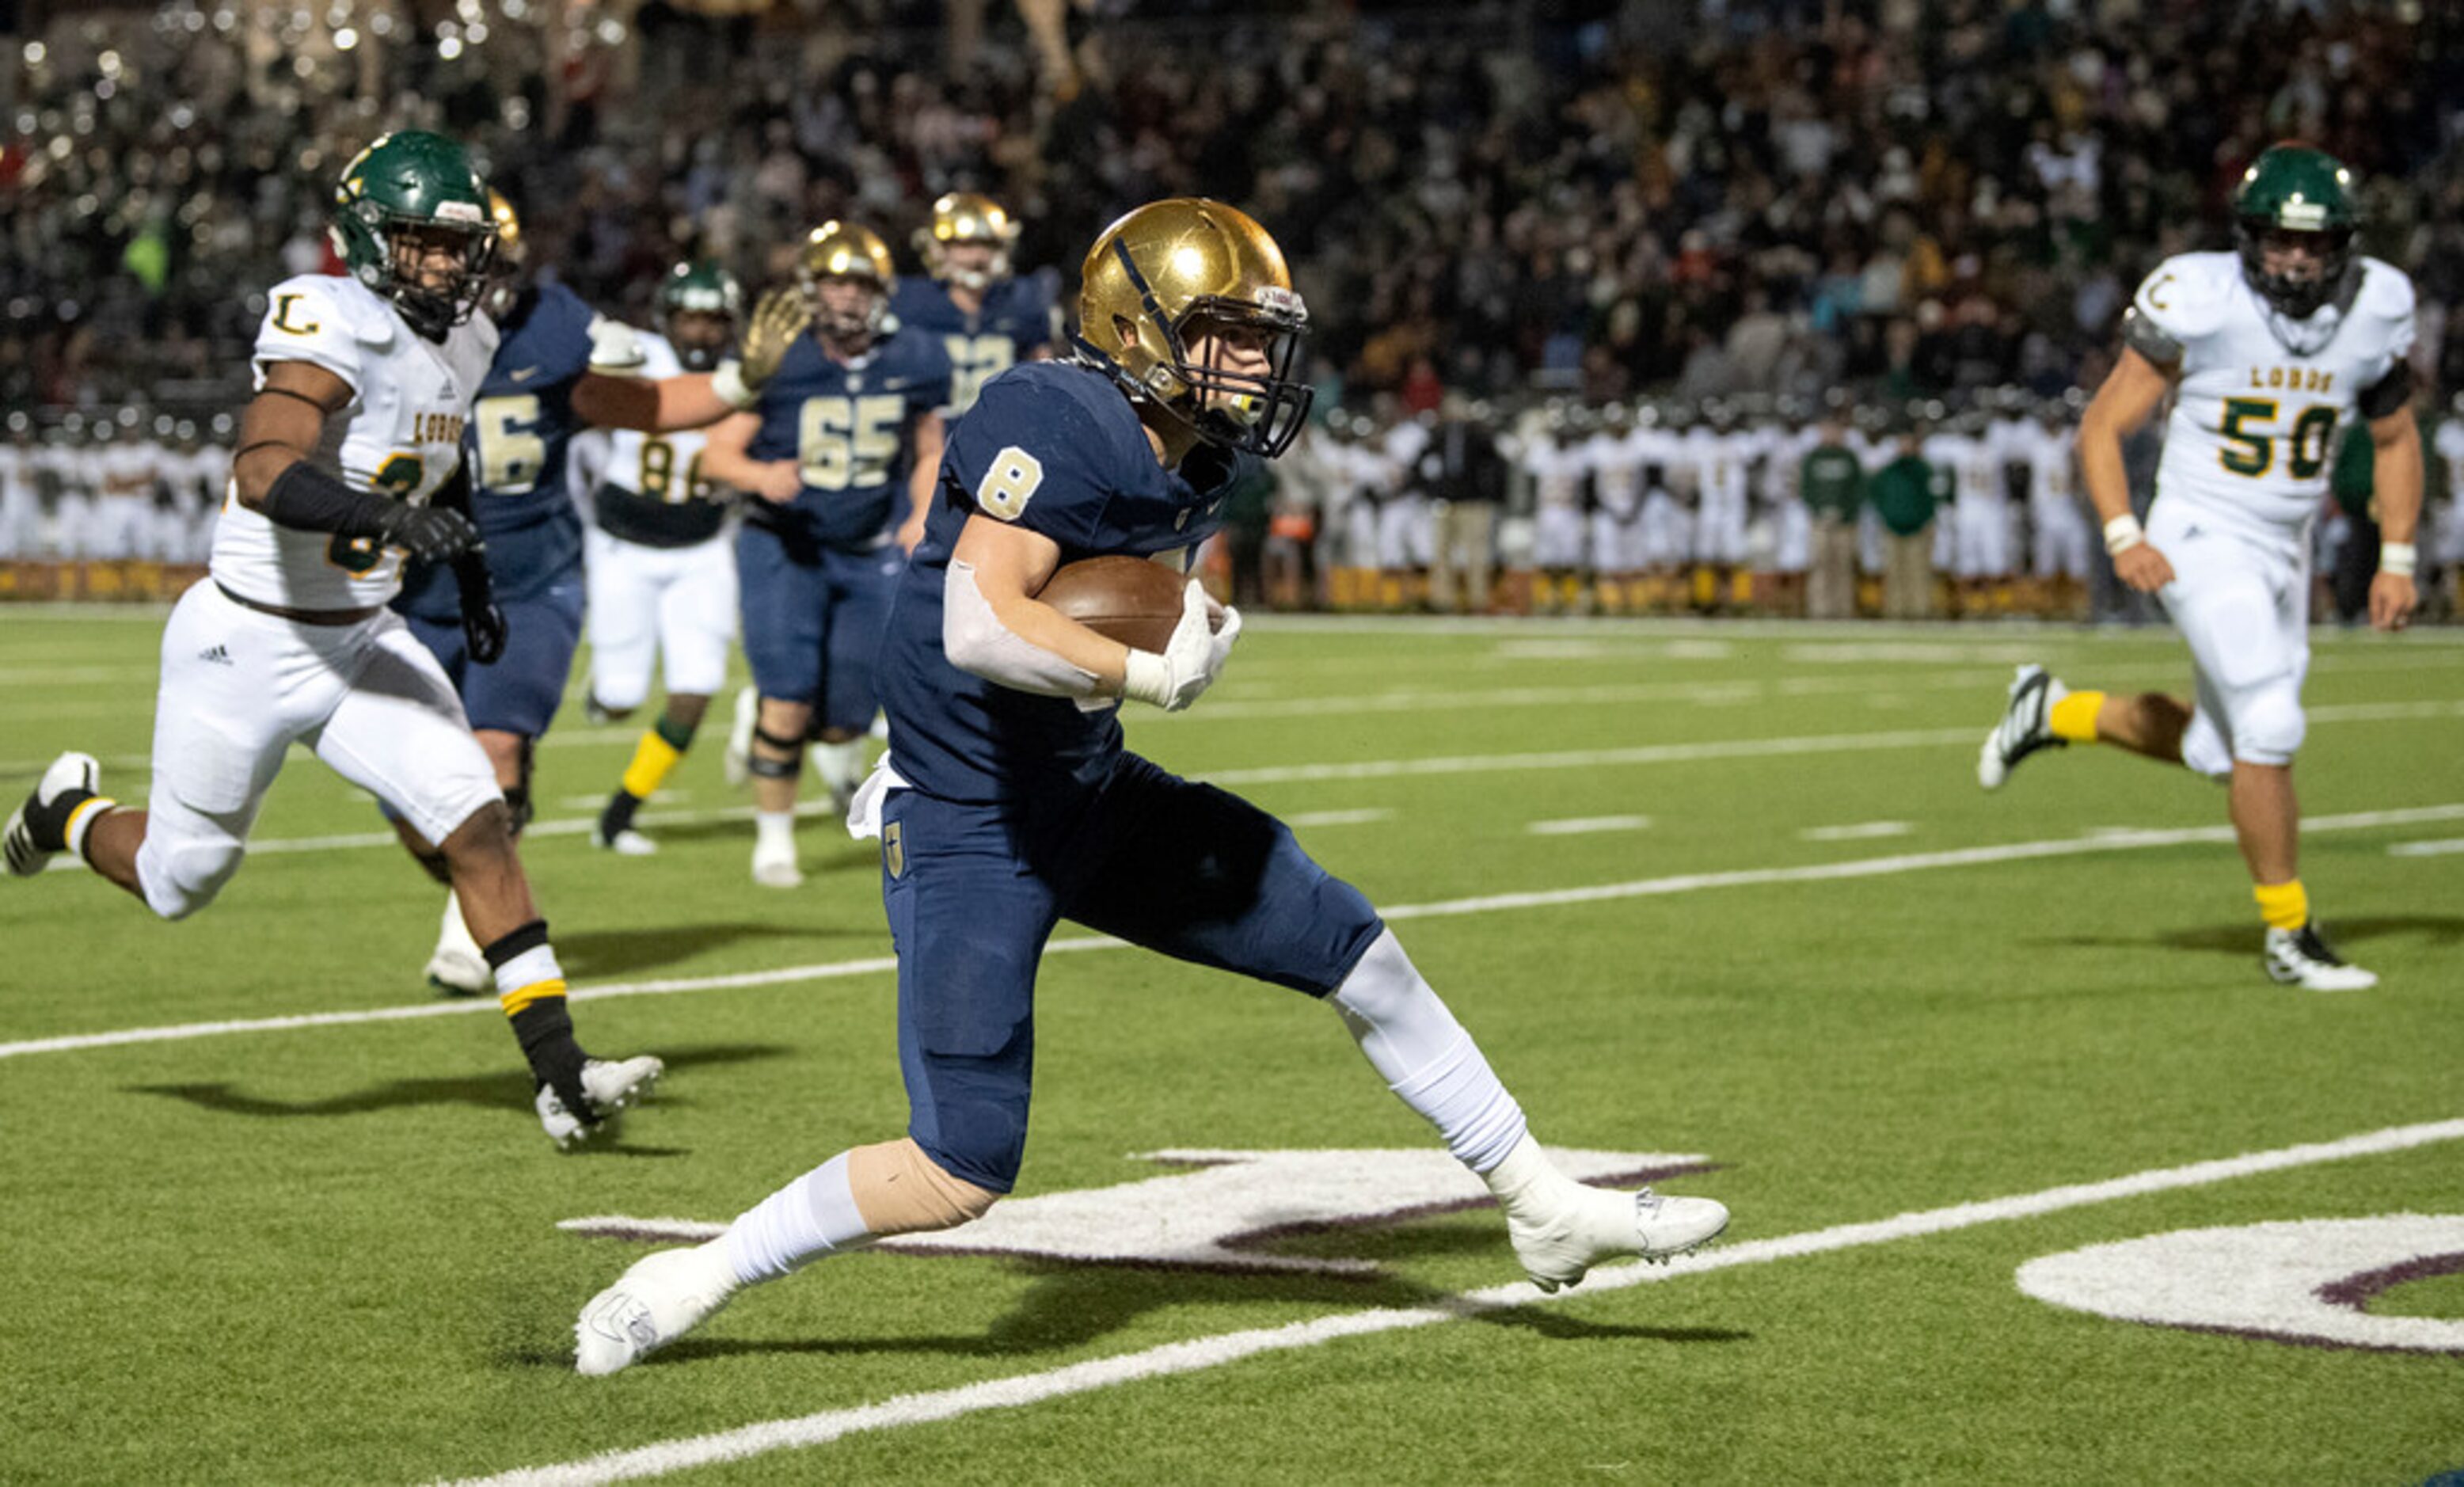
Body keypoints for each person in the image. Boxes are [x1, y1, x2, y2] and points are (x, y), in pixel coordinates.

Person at [571, 198, 1730, 1375]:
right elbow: (979, 623)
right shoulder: (1052, 413)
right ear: (1139, 327)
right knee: (958, 1167)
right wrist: (1140, 666)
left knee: (1355, 945)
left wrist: (1194, 627)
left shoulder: (1204, 449)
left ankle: (1537, 1196)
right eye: (1228, 333)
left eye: (1264, 336)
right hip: (972, 821)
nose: (1258, 362)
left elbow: (1136, 594)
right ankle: (691, 1273)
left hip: (1090, 791)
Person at [0, 131, 661, 1146]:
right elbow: (264, 471)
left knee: (480, 825)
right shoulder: (330, 319)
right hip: (248, 641)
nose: (449, 264)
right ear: (365, 240)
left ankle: (562, 1075)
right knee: (182, 882)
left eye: (459, 246)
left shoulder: (471, 338)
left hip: (359, 637)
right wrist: (391, 523)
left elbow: (445, 460)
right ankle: (69, 812)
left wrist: (471, 565)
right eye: (423, 244)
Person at [1978, 144, 2420, 991]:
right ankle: (2290, 935)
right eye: (2279, 240)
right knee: (2268, 719)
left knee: (2224, 749)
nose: (2295, 259)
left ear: (2343, 244)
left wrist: (2396, 556)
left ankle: (2054, 711)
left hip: (2283, 544)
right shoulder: (2202, 295)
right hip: (2199, 528)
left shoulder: (2376, 308)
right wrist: (2123, 535)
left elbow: (2396, 440)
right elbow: (2102, 426)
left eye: (2314, 243)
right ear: (2247, 236)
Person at [400, 192, 793, 991]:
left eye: (498, 263)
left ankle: (470, 930)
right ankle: (478, 887)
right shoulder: (379, 337)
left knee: (497, 751)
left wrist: (738, 382)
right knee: (410, 808)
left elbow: (638, 405)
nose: (483, 280)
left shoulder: (546, 329)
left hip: (528, 582)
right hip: (413, 589)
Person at [703, 222, 952, 888]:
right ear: (811, 290)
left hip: (867, 548)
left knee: (846, 724)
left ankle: (768, 719)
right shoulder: (783, 358)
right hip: (784, 545)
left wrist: (923, 512)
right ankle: (774, 840)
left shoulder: (918, 356)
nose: (846, 297)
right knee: (788, 701)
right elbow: (715, 453)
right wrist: (761, 477)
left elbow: (930, 447)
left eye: (860, 283)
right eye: (836, 282)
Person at [578, 261, 747, 856]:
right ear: (665, 320)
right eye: (690, 319)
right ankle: (606, 693)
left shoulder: (745, 374)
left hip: (703, 547)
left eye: (712, 320)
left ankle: (620, 813)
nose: (700, 332)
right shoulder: (640, 354)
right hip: (625, 543)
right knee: (622, 698)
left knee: (697, 688)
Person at [890, 191, 1058, 416]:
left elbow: (1044, 380)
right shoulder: (911, 303)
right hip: (934, 431)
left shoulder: (1024, 301)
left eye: (986, 245)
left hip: (1003, 430)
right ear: (938, 249)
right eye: (965, 245)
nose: (976, 257)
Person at [1800, 411, 1865, 620]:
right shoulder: (1813, 457)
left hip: (1845, 522)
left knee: (1843, 567)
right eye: (1826, 430)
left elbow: (1858, 489)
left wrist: (1844, 513)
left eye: (1834, 430)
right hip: (1820, 522)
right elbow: (1806, 489)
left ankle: (1843, 610)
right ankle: (1819, 610)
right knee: (1820, 567)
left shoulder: (1849, 457)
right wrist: (1819, 512)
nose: (1830, 434)